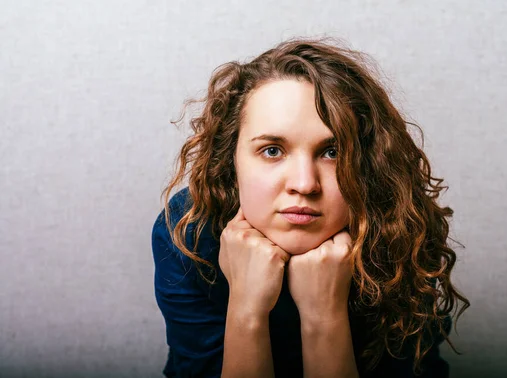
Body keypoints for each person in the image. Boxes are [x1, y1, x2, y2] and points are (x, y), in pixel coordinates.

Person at [151, 37, 470, 378]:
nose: (304, 184)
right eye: (272, 150)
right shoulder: (187, 231)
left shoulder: (402, 228)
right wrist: (246, 308)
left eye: (332, 152)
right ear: (231, 161)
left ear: (369, 166)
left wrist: (324, 316)